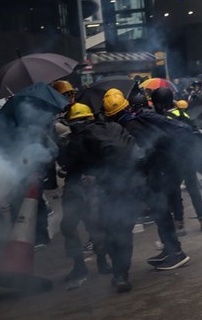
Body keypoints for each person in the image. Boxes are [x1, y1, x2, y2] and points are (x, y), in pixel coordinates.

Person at [103, 88, 191, 272]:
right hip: (162, 169)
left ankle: (175, 253)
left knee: (161, 211)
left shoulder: (131, 127)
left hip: (158, 171)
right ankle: (170, 250)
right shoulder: (135, 120)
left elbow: (146, 153)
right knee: (161, 212)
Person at [61, 102, 144, 293]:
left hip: (106, 189)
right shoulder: (115, 127)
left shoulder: (78, 139)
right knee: (124, 232)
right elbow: (137, 152)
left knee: (112, 231)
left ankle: (118, 273)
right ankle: (120, 273)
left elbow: (69, 166)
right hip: (131, 186)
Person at [58, 104, 112, 288]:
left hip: (90, 188)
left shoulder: (95, 139)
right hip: (74, 188)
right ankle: (80, 266)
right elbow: (65, 164)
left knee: (94, 226)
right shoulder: (69, 141)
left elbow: (106, 161)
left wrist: (94, 176)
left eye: (79, 122)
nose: (77, 126)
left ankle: (102, 262)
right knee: (69, 227)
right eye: (74, 123)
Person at [151, 87, 202, 232]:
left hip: (173, 160)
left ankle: (179, 225)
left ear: (159, 104)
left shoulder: (162, 118)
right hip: (189, 157)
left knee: (175, 192)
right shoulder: (182, 113)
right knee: (194, 189)